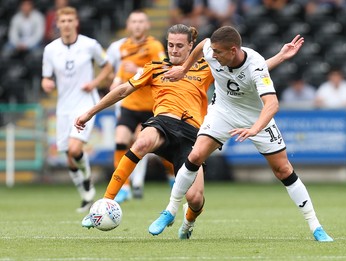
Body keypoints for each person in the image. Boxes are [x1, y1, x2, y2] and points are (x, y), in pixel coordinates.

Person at [75, 24, 304, 239]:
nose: (174, 50)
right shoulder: (155, 68)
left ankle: (189, 220)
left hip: (192, 134)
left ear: (190, 46)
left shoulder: (208, 66)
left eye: (179, 46)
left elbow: (250, 71)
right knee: (141, 142)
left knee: (195, 199)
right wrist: (89, 112)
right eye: (170, 45)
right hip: (163, 124)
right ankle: (103, 205)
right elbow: (123, 90)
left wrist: (281, 57)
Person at [149, 26, 333, 242]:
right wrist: (184, 69)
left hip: (256, 117)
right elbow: (203, 45)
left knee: (283, 170)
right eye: (213, 52)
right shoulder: (213, 50)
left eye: (218, 52)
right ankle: (170, 210)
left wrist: (255, 128)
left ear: (233, 50)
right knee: (195, 155)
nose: (213, 56)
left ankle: (315, 226)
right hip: (223, 111)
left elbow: (272, 104)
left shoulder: (255, 64)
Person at [41, 6, 113, 213]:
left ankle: (88, 180)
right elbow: (46, 77)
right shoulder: (50, 49)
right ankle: (86, 195)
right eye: (62, 21)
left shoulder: (90, 45)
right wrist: (46, 83)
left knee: (75, 149)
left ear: (76, 22)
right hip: (63, 107)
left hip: (85, 104)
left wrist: (95, 83)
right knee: (69, 157)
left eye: (69, 21)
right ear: (58, 24)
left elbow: (107, 66)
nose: (66, 24)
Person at [107, 10, 175, 203]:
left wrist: (137, 71)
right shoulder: (124, 47)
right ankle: (124, 188)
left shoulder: (154, 46)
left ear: (147, 26)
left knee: (154, 147)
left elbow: (163, 70)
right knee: (120, 140)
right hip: (130, 105)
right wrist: (116, 82)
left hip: (151, 107)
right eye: (134, 22)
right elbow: (121, 72)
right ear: (128, 26)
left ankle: (172, 176)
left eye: (141, 22)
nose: (137, 25)